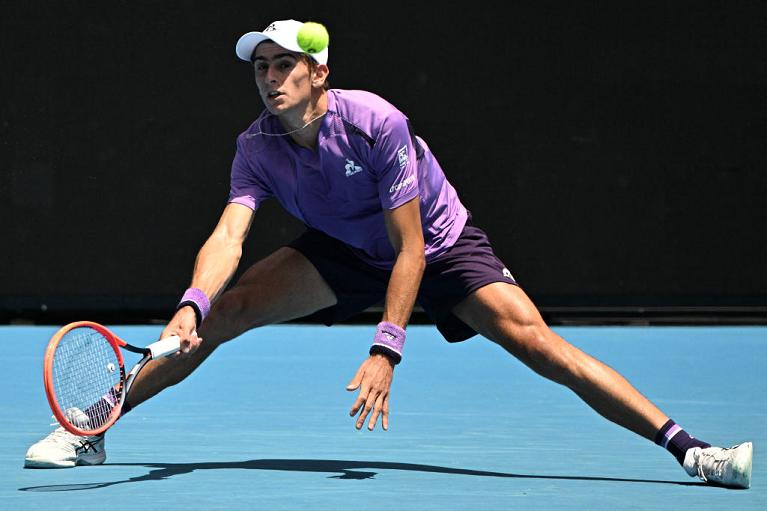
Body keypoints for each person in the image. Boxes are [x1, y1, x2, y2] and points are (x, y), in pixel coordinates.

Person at [25, 19, 752, 488]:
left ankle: (691, 449)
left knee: (539, 346)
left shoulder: (375, 124)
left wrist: (385, 346)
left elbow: (410, 249)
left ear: (318, 74)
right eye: (260, 68)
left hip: (435, 246)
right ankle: (93, 430)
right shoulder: (256, 146)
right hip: (343, 249)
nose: (270, 77)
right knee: (231, 306)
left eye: (284, 65)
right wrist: (193, 303)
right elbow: (228, 234)